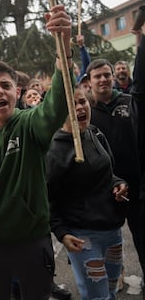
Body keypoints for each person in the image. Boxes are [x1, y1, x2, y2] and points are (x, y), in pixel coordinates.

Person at [0, 4, 73, 299]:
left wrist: (63, 49)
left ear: (17, 92)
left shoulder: (30, 124)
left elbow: (57, 105)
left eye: (6, 86)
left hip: (33, 242)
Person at [46, 88, 129, 299]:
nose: (79, 107)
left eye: (82, 101)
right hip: (83, 237)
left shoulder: (95, 132)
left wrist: (118, 184)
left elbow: (109, 172)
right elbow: (47, 198)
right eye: (71, 105)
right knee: (97, 297)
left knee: (110, 290)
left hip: (112, 230)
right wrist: (61, 232)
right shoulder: (53, 150)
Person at [86, 53, 145, 286]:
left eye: (106, 75)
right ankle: (115, 277)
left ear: (113, 77)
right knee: (110, 239)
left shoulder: (130, 102)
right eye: (97, 76)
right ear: (89, 81)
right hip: (104, 189)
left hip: (135, 184)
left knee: (142, 235)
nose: (103, 79)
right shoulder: (85, 111)